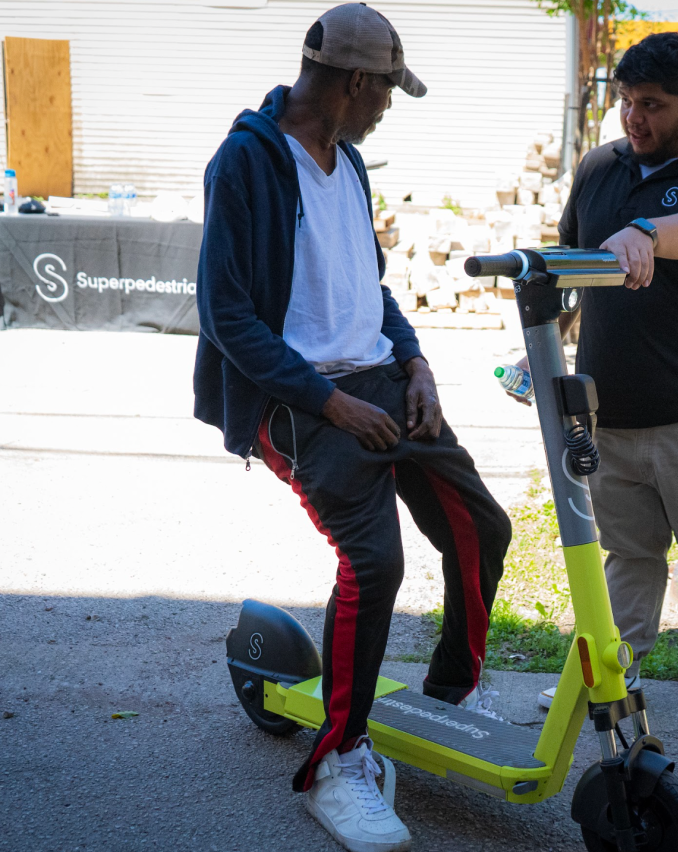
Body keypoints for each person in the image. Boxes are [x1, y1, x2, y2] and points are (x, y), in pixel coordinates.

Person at [192, 6, 511, 850]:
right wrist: (329, 404)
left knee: (481, 527)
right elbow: (225, 314)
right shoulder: (247, 160)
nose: (387, 108)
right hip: (298, 400)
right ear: (356, 82)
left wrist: (415, 362)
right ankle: (337, 763)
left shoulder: (352, 161)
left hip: (380, 378)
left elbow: (370, 287)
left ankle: (454, 690)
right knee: (373, 565)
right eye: (387, 93)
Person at [530, 31, 678, 731]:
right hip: (609, 410)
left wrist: (648, 233)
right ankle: (617, 665)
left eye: (653, 105)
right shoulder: (599, 166)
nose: (633, 118)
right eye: (626, 101)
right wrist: (542, 347)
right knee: (628, 551)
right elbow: (570, 267)